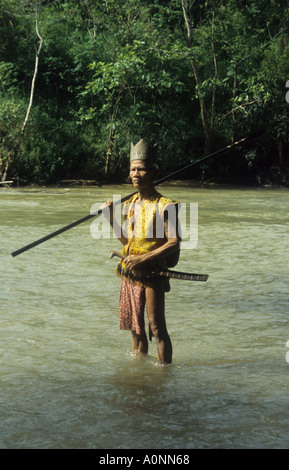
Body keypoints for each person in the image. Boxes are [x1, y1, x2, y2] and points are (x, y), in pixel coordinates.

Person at [101, 139, 180, 364]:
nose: (136, 173)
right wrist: (109, 218)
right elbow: (129, 243)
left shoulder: (167, 205)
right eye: (133, 169)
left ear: (154, 172)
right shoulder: (131, 203)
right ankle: (139, 374)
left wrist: (144, 258)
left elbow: (174, 242)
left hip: (152, 272)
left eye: (142, 169)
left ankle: (164, 375)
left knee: (156, 327)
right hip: (130, 271)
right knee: (135, 328)